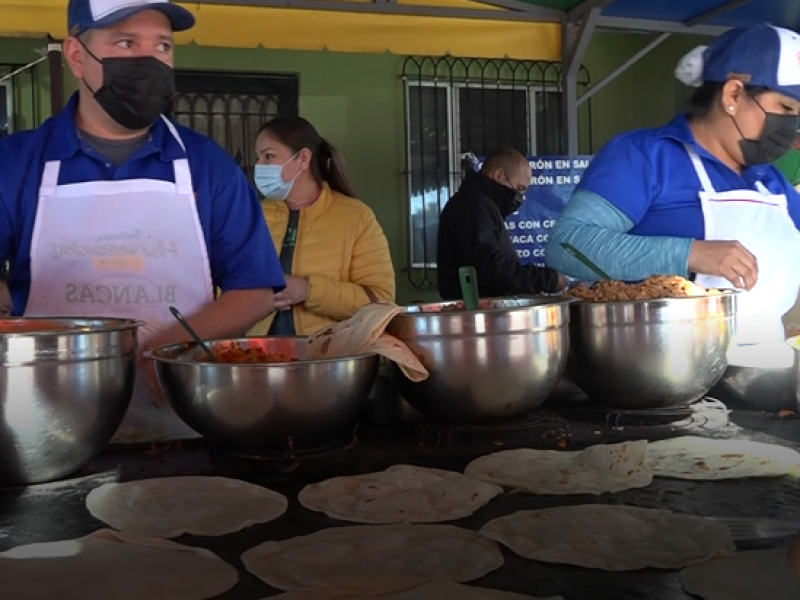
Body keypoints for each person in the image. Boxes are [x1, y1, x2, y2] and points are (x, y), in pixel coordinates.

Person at [0, 0, 285, 442]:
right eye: (126, 42)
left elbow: (254, 292)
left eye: (163, 46)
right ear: (77, 56)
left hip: (181, 417)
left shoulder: (209, 166)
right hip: (46, 421)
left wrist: (161, 349)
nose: (150, 60)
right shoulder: (16, 164)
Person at [545, 23, 800, 370]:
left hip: (762, 380)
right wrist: (688, 253)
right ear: (733, 95)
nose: (792, 124)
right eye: (785, 108)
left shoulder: (770, 181)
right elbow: (567, 244)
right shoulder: (644, 156)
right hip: (655, 380)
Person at [248, 117, 395, 336]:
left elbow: (381, 302)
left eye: (268, 156)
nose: (259, 166)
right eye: (257, 157)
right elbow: (227, 291)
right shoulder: (254, 216)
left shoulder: (356, 217)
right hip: (260, 356)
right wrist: (256, 299)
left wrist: (308, 291)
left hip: (329, 357)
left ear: (303, 159)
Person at [437, 147, 567, 300]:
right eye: (519, 188)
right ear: (499, 175)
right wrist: (546, 279)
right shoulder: (473, 205)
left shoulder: (482, 204)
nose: (519, 198)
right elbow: (489, 266)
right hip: (477, 315)